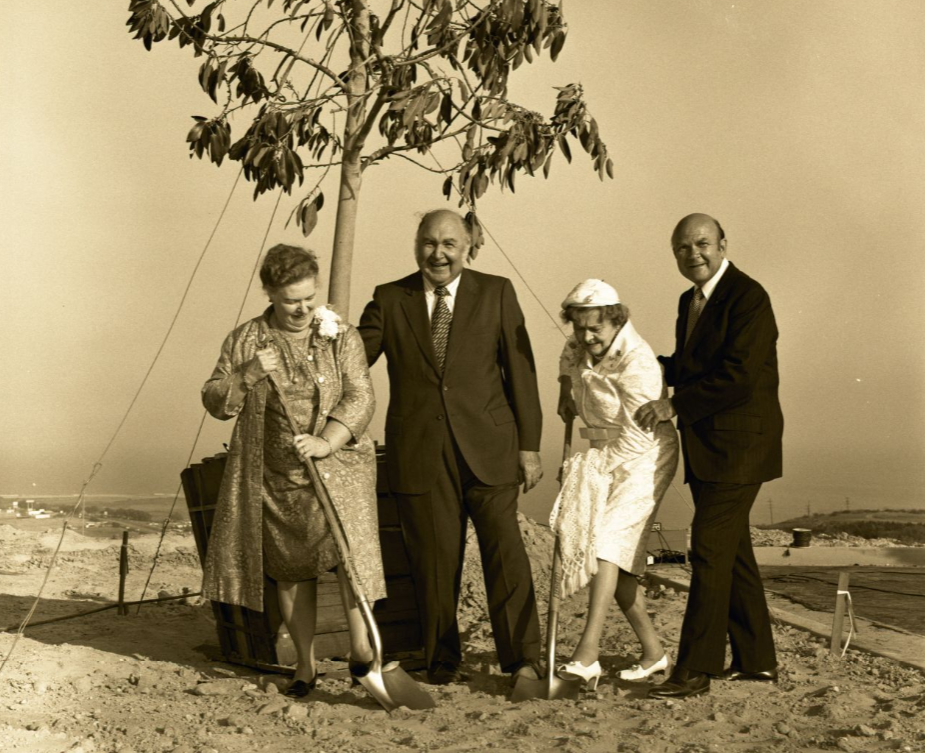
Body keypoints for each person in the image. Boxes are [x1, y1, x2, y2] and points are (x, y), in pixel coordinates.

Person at [358, 209, 543, 685]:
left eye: (448, 244)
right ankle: (441, 660)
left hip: (491, 447)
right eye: (428, 242)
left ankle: (522, 660)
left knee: (506, 554)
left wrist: (530, 446)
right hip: (420, 450)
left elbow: (520, 371)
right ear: (416, 243)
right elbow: (354, 361)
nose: (437, 254)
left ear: (467, 247)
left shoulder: (497, 291)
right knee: (433, 561)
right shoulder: (389, 297)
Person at [201, 244, 386, 698]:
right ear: (269, 294)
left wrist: (327, 441)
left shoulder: (339, 335)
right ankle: (304, 665)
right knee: (292, 570)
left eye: (308, 297)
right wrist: (246, 374)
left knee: (353, 558)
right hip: (278, 479)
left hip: (340, 466)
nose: (302, 308)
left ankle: (363, 653)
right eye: (290, 300)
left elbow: (361, 397)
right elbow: (214, 399)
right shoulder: (245, 339)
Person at [636, 214, 783, 700]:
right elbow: (693, 364)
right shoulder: (690, 300)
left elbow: (737, 375)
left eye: (701, 243)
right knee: (733, 552)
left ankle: (696, 668)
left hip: (741, 448)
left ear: (723, 244)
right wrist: (637, 364)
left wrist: (673, 404)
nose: (692, 253)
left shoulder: (749, 297)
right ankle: (757, 662)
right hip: (709, 446)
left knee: (709, 548)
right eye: (681, 247)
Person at [551, 280, 679, 690]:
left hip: (644, 459)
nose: (587, 337)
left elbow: (639, 436)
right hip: (606, 456)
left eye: (596, 329)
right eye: (579, 327)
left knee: (607, 545)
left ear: (616, 319)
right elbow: (566, 363)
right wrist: (566, 390)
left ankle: (587, 654)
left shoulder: (638, 362)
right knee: (620, 569)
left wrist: (591, 470)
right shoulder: (577, 346)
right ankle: (655, 654)